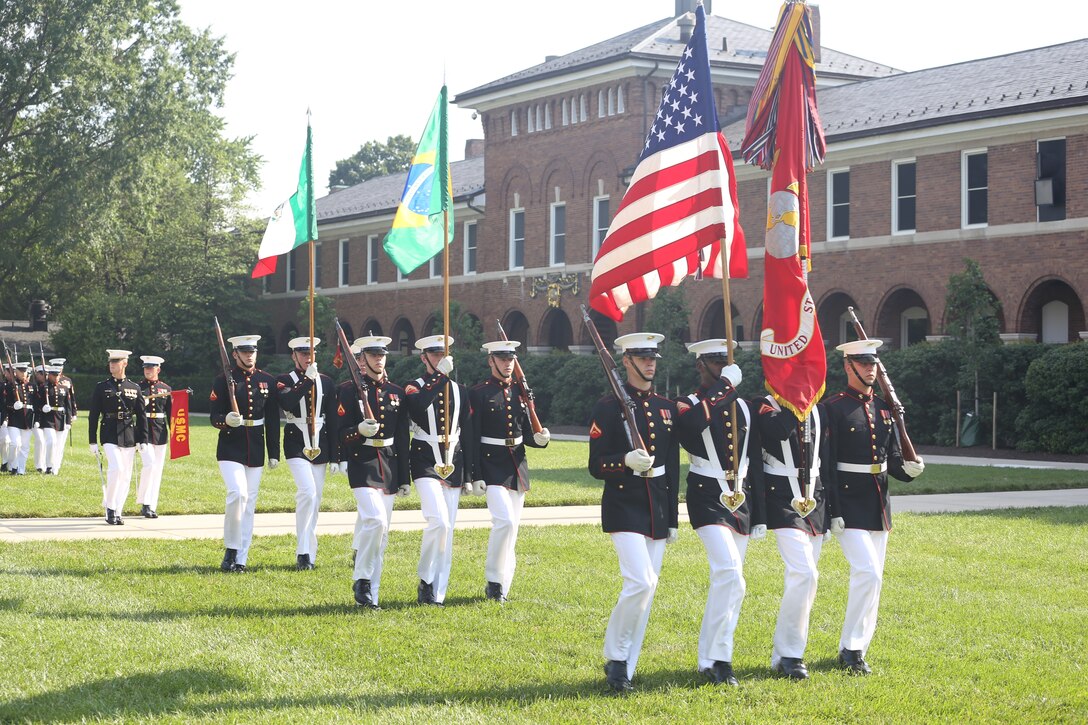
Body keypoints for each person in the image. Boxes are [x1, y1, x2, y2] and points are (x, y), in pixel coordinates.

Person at [824, 339, 925, 675]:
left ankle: (858, 647)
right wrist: (833, 510)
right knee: (866, 572)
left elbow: (891, 459)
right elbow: (826, 465)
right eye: (863, 363)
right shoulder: (834, 408)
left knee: (875, 578)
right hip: (848, 504)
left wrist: (909, 469)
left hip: (878, 503)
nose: (870, 369)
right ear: (848, 367)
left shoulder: (884, 407)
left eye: (873, 363)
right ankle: (850, 649)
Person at [587, 332, 680, 694]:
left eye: (653, 357)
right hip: (624, 504)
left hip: (656, 506)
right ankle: (616, 657)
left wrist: (671, 518)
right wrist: (623, 461)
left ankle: (626, 663)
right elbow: (596, 466)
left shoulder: (665, 407)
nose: (650, 363)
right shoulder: (608, 407)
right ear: (626, 361)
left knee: (648, 589)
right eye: (642, 357)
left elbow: (671, 467)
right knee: (641, 581)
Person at [674, 339, 765, 686]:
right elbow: (691, 427)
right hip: (707, 496)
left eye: (727, 362)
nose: (724, 367)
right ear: (701, 365)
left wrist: (760, 515)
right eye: (716, 362)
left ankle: (711, 658)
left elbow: (753, 460)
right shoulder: (688, 403)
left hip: (741, 499)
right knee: (731, 574)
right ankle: (720, 658)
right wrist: (725, 386)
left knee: (727, 580)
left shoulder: (744, 405)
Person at [757, 388, 832, 680]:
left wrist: (833, 511)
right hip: (781, 498)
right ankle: (790, 655)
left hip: (815, 501)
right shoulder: (765, 406)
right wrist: (795, 402)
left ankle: (784, 652)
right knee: (805, 573)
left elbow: (826, 459)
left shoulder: (819, 410)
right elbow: (776, 432)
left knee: (805, 579)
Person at [468, 339, 550, 604]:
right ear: (491, 361)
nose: (507, 363)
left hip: (516, 465)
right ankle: (493, 581)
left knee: (512, 528)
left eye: (511, 359)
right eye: (502, 359)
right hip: (491, 466)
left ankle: (504, 584)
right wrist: (475, 474)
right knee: (503, 522)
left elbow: (525, 432)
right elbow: (471, 437)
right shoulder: (479, 393)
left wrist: (540, 439)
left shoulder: (521, 393)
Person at [337, 335, 410, 608]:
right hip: (362, 462)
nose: (379, 359)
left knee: (383, 534)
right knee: (376, 521)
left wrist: (405, 478)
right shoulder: (348, 390)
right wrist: (358, 431)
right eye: (373, 355)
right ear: (362, 359)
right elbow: (339, 433)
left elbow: (403, 438)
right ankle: (362, 579)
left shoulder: (396, 392)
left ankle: (370, 598)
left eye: (382, 355)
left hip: (389, 464)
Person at [403, 334, 475, 606]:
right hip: (424, 459)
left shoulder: (460, 389)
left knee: (450, 528)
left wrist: (469, 475)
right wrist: (439, 377)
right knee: (439, 521)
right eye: (434, 355)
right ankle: (426, 579)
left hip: (453, 462)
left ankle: (438, 590)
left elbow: (466, 431)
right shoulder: (413, 386)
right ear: (424, 358)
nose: (441, 358)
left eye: (444, 354)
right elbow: (419, 405)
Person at [209, 334, 280, 572]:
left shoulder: (266, 381)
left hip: (255, 447)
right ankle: (231, 548)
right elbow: (214, 416)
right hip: (231, 446)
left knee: (249, 503)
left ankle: (241, 559)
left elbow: (271, 420)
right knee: (237, 494)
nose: (250, 355)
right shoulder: (223, 380)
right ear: (235, 354)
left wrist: (274, 452)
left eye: (253, 351)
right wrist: (226, 420)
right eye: (245, 352)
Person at [275, 337, 338, 570]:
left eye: (310, 353)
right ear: (293, 356)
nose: (307, 357)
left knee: (316, 499)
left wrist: (336, 455)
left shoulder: (327, 382)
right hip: (296, 441)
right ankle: (302, 551)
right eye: (302, 354)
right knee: (307, 492)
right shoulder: (284, 381)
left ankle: (310, 551)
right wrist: (306, 381)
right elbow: (289, 403)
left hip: (320, 442)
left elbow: (332, 419)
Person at [87, 350, 148, 524]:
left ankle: (118, 510)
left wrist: (143, 440)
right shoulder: (102, 387)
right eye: (110, 361)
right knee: (117, 468)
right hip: (109, 433)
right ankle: (110, 508)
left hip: (128, 434)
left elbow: (141, 416)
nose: (112, 364)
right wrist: (92, 440)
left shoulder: (134, 388)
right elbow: (93, 415)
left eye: (116, 361)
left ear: (125, 363)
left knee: (126, 475)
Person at [136, 355, 172, 518]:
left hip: (160, 432)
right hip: (143, 432)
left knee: (157, 470)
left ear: (158, 369)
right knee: (149, 465)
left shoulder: (165, 389)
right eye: (146, 368)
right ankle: (144, 502)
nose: (148, 371)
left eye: (151, 368)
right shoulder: (137, 387)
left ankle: (151, 505)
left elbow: (171, 414)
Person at [3, 362, 35, 475]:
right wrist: (13, 406)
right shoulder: (10, 386)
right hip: (14, 419)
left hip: (27, 418)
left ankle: (21, 469)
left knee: (25, 446)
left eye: (25, 372)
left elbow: (36, 403)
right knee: (15, 444)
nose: (23, 374)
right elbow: (5, 404)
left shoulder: (31, 386)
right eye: (21, 372)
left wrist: (36, 420)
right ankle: (13, 465)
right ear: (15, 372)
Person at [35, 365, 68, 475]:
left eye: (58, 375)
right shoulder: (43, 388)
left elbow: (68, 406)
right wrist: (42, 408)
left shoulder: (63, 388)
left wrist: (68, 421)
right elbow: (37, 404)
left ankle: (55, 466)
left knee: (57, 444)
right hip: (47, 419)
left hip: (60, 418)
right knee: (51, 441)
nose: (56, 377)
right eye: (54, 375)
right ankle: (48, 466)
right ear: (49, 375)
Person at [50, 358, 76, 474]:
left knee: (60, 443)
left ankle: (56, 465)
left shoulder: (67, 380)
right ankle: (49, 464)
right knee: (51, 442)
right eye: (56, 366)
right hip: (50, 415)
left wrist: (73, 413)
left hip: (63, 414)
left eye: (60, 367)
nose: (59, 369)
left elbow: (71, 398)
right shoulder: (49, 381)